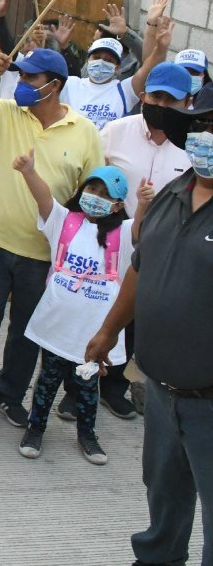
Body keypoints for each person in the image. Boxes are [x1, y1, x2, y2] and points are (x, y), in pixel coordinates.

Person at [85, 88, 213, 566]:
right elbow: (141, 266)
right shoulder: (172, 194)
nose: (207, 137)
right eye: (202, 127)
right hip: (161, 391)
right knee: (165, 495)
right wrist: (110, 329)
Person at [0, 49, 103, 428]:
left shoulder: (85, 131)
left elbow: (93, 192)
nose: (22, 85)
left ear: (54, 85)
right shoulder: (7, 112)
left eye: (31, 79)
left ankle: (9, 395)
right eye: (20, 77)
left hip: (44, 253)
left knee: (26, 331)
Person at [12, 154, 129, 465]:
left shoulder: (124, 234)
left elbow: (144, 229)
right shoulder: (65, 221)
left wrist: (144, 203)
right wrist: (28, 171)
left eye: (106, 196)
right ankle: (35, 427)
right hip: (58, 324)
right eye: (92, 190)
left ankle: (87, 434)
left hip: (92, 330)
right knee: (48, 378)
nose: (96, 199)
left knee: (88, 384)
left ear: (118, 205)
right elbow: (44, 198)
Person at [92, 61, 193, 419]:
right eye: (156, 96)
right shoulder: (116, 132)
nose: (161, 105)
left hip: (161, 250)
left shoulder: (192, 147)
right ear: (145, 94)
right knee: (95, 310)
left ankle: (114, 386)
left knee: (134, 319)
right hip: (110, 242)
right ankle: (79, 387)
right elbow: (93, 178)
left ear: (188, 103)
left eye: (171, 100)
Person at [60, 25, 165, 130]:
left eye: (108, 60)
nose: (101, 62)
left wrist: (160, 46)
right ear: (88, 59)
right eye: (96, 57)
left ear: (117, 67)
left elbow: (150, 66)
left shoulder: (124, 90)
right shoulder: (70, 84)